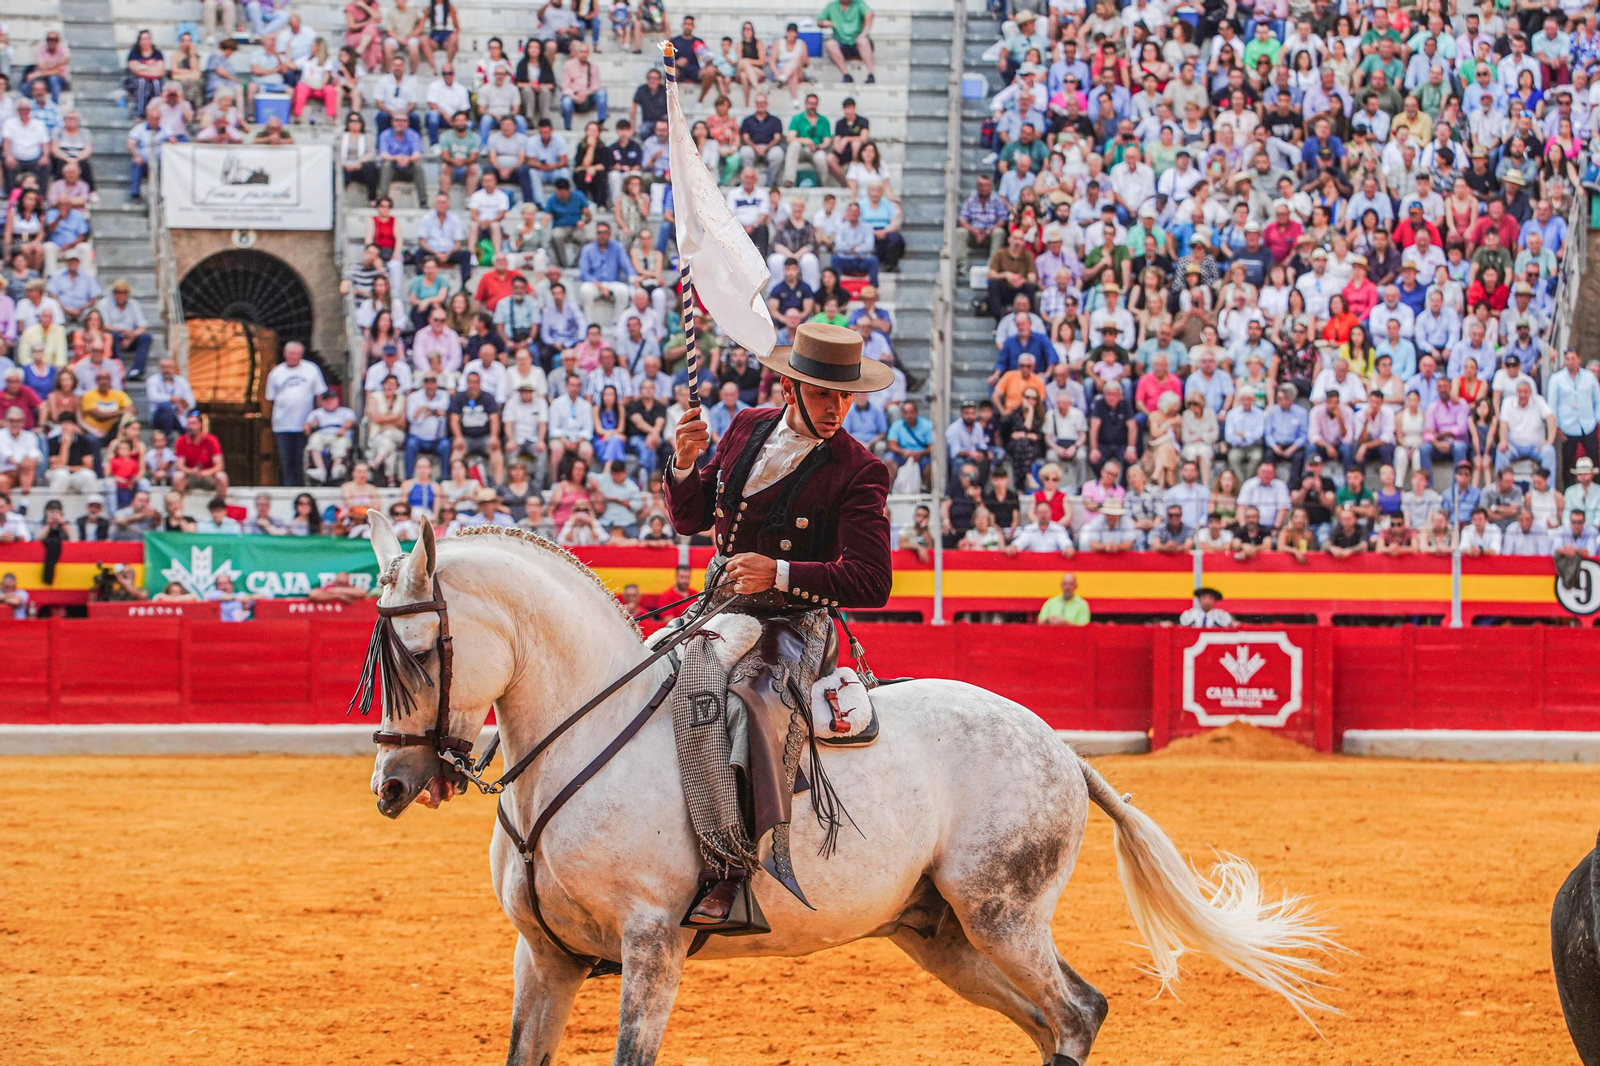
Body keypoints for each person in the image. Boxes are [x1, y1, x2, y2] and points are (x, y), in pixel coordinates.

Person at [665, 321, 892, 926]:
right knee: (644, 676)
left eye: (845, 396)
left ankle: (731, 868)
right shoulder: (747, 426)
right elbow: (692, 518)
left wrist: (782, 573)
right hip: (718, 605)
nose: (836, 409)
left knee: (745, 706)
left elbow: (873, 581)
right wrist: (684, 464)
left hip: (794, 622)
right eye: (823, 394)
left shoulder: (860, 469)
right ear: (789, 388)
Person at [264, 343, 326, 487]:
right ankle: (288, 487)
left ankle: (302, 487)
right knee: (286, 459)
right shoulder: (276, 373)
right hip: (282, 425)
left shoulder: (311, 369)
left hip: (305, 424)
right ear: (285, 354)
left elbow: (319, 393)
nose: (295, 357)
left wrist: (317, 417)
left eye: (298, 354)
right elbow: (270, 398)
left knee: (302, 458)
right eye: (292, 354)